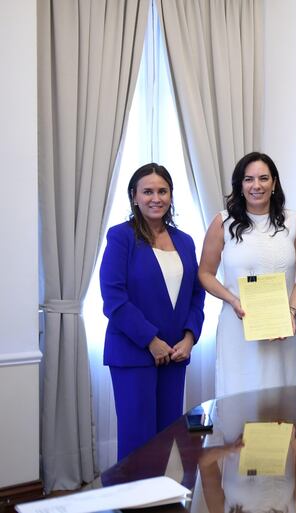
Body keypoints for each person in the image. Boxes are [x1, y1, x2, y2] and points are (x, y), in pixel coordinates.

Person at [100, 163, 205, 460]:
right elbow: (113, 298)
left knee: (165, 438)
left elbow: (196, 294)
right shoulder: (121, 237)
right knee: (137, 440)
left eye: (162, 191)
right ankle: (132, 504)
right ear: (134, 196)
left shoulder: (185, 240)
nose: (155, 198)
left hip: (174, 354)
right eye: (147, 191)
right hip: (134, 353)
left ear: (171, 196)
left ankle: (158, 502)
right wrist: (150, 341)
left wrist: (189, 337)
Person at [198, 152, 296, 396]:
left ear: (274, 183)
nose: (256, 186)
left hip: (283, 327)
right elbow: (205, 273)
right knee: (239, 394)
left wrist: (291, 311)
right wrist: (233, 301)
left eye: (263, 178)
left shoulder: (295, 221)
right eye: (248, 179)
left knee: (281, 397)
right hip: (237, 325)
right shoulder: (222, 222)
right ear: (240, 185)